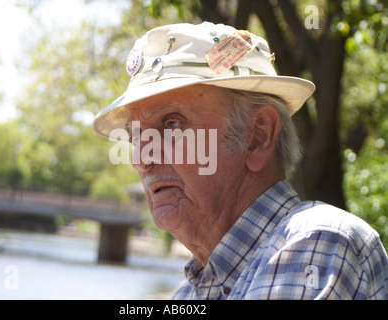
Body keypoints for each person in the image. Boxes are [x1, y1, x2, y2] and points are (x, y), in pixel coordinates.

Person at [92, 22, 388, 299]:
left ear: (258, 136)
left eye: (171, 124)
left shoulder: (316, 242)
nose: (141, 159)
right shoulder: (191, 292)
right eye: (135, 136)